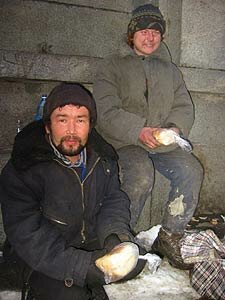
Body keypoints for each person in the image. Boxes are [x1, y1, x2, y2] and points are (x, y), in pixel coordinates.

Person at [0, 83, 145, 300]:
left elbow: (113, 201)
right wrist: (83, 267)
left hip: (89, 242)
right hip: (43, 258)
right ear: (47, 125)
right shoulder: (23, 167)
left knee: (136, 261)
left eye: (80, 120)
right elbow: (29, 236)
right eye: (62, 119)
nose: (71, 130)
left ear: (90, 125)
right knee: (72, 295)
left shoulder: (103, 159)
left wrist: (115, 237)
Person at [93, 4, 204, 269]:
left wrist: (175, 128)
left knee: (191, 170)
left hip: (162, 145)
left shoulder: (171, 70)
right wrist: (138, 129)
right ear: (131, 35)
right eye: (143, 30)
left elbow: (183, 105)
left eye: (156, 31)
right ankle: (119, 241)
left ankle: (170, 235)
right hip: (125, 142)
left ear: (162, 36)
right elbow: (105, 111)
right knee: (141, 173)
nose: (150, 36)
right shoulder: (112, 66)